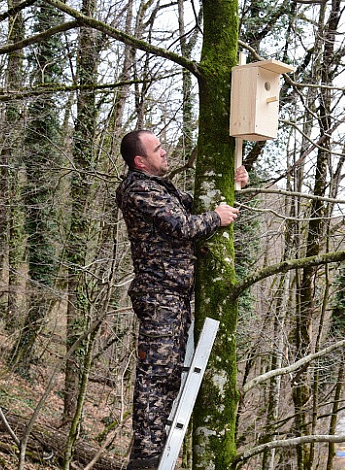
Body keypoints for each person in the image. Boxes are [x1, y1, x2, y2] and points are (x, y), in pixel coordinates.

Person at [116, 130, 248, 470]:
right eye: (156, 149)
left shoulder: (160, 188)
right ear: (140, 161)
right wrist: (217, 218)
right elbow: (184, 226)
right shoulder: (139, 188)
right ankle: (145, 459)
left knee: (169, 376)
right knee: (156, 377)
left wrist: (232, 183)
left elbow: (196, 204)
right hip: (159, 295)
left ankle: (155, 454)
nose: (164, 152)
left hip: (172, 296)